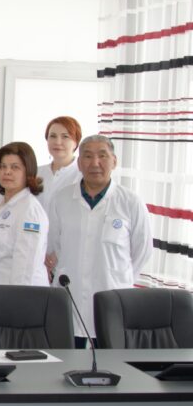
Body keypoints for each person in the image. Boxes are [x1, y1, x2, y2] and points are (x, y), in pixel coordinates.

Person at [47, 135, 152, 348]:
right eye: (87, 156)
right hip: (71, 298)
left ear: (114, 161)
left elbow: (142, 251)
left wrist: (119, 278)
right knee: (67, 359)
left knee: (111, 362)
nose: (95, 163)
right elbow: (55, 245)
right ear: (79, 163)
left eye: (102, 156)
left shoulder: (130, 202)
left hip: (113, 300)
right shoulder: (61, 198)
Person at [0, 142, 49, 287]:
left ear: (28, 172)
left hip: (16, 294)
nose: (7, 172)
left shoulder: (30, 210)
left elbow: (25, 268)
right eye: (3, 166)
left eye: (15, 167)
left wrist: (14, 299)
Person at [36, 116, 83, 210]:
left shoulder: (82, 174)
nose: (57, 142)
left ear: (76, 142)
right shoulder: (36, 173)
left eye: (65, 136)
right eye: (53, 136)